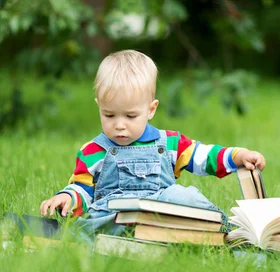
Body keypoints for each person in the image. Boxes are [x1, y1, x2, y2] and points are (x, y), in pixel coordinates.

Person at [39, 50, 266, 238]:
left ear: (151, 109)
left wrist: (237, 156)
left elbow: (203, 156)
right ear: (99, 106)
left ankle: (226, 233)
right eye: (109, 115)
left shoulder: (170, 143)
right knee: (90, 226)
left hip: (164, 217)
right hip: (117, 220)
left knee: (182, 198)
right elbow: (83, 189)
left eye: (130, 116)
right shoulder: (93, 151)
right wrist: (67, 197)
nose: (119, 125)